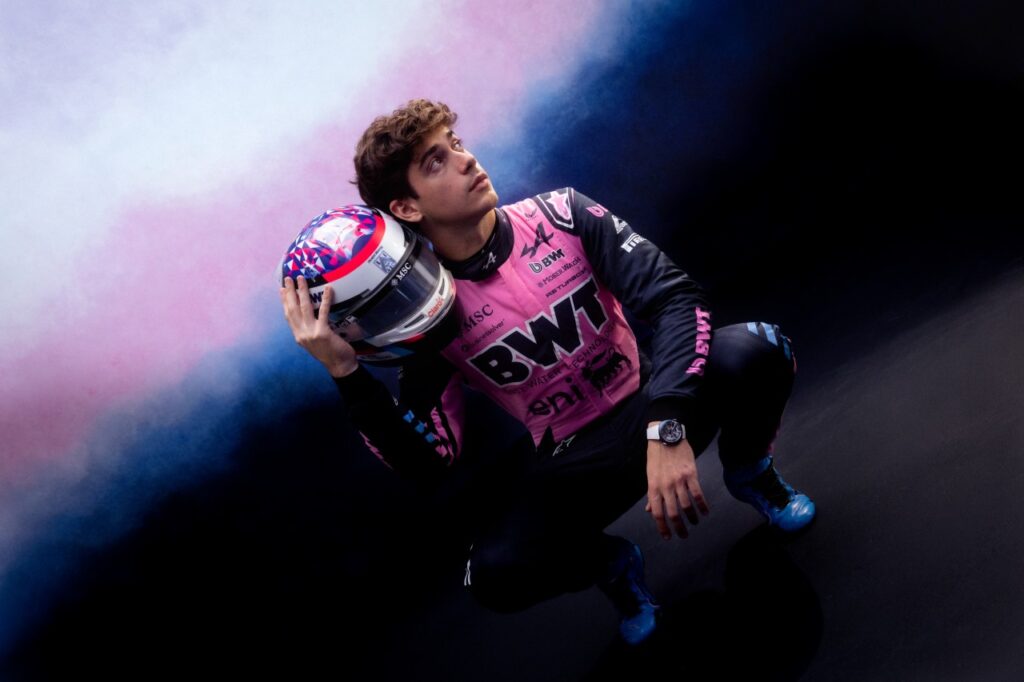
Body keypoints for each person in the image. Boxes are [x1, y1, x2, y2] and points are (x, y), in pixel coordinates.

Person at [279, 98, 816, 645]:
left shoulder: (561, 214)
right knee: (495, 574)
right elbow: (431, 461)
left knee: (757, 348)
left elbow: (675, 300)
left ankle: (750, 470)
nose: (466, 160)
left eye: (456, 144)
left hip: (653, 402)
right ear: (407, 207)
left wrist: (667, 426)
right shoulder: (429, 309)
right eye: (436, 161)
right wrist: (347, 375)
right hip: (575, 463)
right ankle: (610, 565)